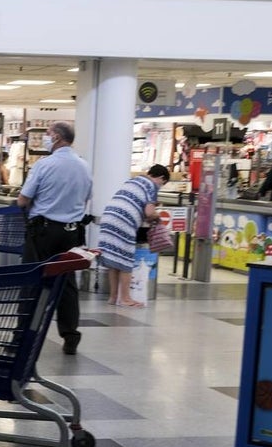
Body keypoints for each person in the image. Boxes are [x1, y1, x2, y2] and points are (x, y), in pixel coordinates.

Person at [17, 120, 93, 354]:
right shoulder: (84, 166)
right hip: (72, 233)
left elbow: (23, 200)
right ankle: (70, 335)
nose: (46, 137)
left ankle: (23, 335)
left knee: (33, 279)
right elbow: (86, 198)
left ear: (57, 137)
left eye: (48, 133)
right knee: (67, 283)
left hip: (43, 232)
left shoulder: (44, 165)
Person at [97, 164, 170, 308]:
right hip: (123, 222)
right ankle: (125, 299)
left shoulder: (133, 181)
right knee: (126, 260)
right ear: (161, 178)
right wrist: (157, 216)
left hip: (108, 218)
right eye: (163, 183)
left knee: (114, 259)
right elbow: (149, 212)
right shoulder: (151, 186)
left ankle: (113, 297)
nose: (160, 186)